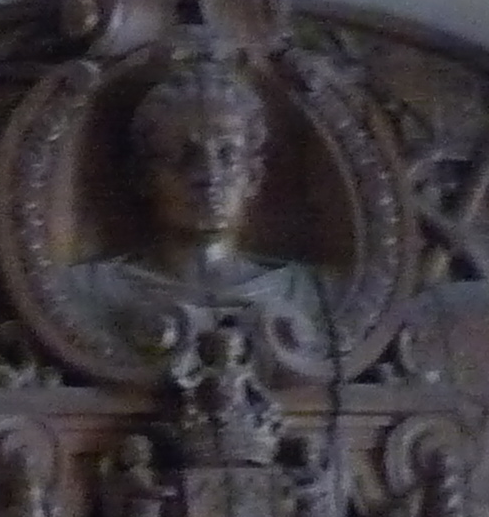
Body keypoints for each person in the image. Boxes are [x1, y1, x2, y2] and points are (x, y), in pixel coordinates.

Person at [56, 57, 336, 380]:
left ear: (253, 177)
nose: (209, 176)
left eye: (228, 156)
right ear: (142, 177)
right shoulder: (86, 290)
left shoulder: (308, 293)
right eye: (184, 157)